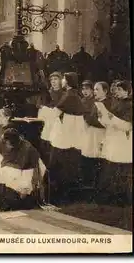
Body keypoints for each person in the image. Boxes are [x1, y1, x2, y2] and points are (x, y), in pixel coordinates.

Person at [47, 72, 85, 204]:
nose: (62, 80)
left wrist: (44, 110)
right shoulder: (74, 94)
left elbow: (54, 113)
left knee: (59, 165)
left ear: (67, 81)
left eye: (63, 78)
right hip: (71, 135)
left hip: (64, 136)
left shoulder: (69, 95)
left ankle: (59, 196)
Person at [0, 129, 46, 211]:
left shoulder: (27, 148)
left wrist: (28, 187)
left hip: (29, 169)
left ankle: (16, 200)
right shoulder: (5, 142)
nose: (6, 146)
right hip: (15, 167)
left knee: (21, 186)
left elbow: (28, 167)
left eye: (8, 144)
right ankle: (4, 201)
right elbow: (3, 157)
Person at [97, 80, 133, 205]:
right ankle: (113, 197)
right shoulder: (117, 103)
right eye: (116, 89)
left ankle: (124, 199)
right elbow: (109, 124)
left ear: (127, 91)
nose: (116, 92)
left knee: (122, 170)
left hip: (123, 140)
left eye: (120, 89)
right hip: (113, 139)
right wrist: (102, 117)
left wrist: (111, 117)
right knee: (113, 168)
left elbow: (127, 126)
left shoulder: (131, 105)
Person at [79, 81, 106, 190]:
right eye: (83, 89)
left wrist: (87, 119)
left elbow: (100, 121)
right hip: (88, 132)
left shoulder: (99, 103)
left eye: (88, 89)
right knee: (87, 155)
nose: (85, 91)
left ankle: (95, 184)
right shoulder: (83, 101)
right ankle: (89, 183)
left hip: (97, 133)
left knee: (96, 156)